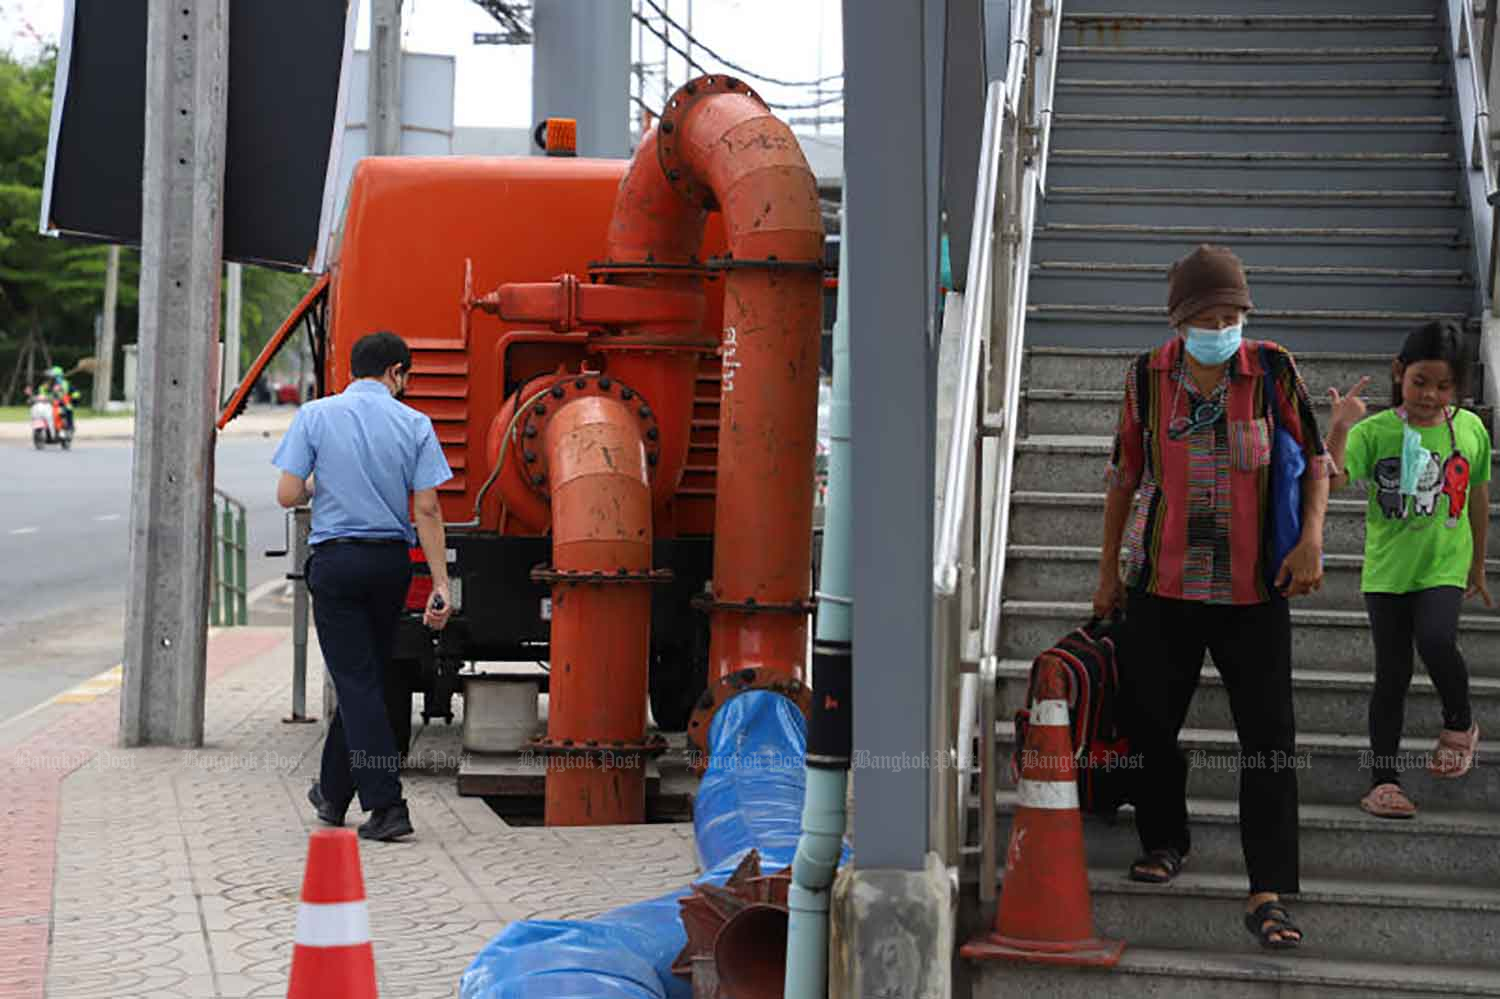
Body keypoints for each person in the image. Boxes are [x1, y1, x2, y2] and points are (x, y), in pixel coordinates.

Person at [1094, 244, 1330, 949]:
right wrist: (1107, 572)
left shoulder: (1272, 369)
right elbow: (1122, 477)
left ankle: (1269, 891)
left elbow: (1316, 459)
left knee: (1268, 742)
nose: (1223, 327)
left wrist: (1313, 537)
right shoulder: (1146, 379)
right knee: (1151, 719)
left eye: (1233, 314)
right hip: (1162, 584)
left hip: (1255, 590)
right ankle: (1165, 837)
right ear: (1179, 321)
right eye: (1209, 316)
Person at [273, 331, 453, 841]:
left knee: (356, 682)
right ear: (396, 372)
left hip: (336, 562)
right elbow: (427, 508)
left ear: (353, 370)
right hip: (389, 565)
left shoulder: (315, 415)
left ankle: (387, 805)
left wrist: (315, 482)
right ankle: (331, 795)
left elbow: (288, 494)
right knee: (365, 677)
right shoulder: (415, 422)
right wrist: (441, 581)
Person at [1323, 321, 1491, 820]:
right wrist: (1339, 427)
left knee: (1436, 640)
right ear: (1399, 373)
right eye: (1420, 382)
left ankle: (1459, 723)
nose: (1430, 395)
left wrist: (1478, 563)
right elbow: (1330, 484)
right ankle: (1384, 782)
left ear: (1458, 387)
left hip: (1445, 563)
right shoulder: (1376, 432)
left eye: (1443, 386)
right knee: (1390, 676)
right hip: (1387, 572)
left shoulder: (1470, 429)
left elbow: (1478, 495)